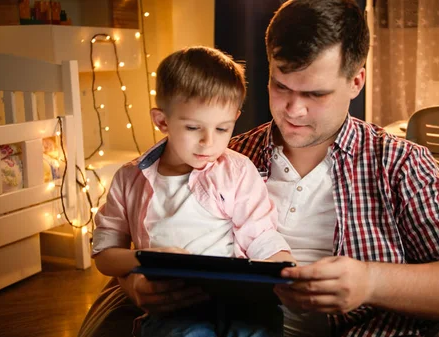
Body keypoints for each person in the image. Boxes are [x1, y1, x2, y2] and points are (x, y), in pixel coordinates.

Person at [79, 1, 439, 336]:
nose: (294, 110)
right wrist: (135, 287)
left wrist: (371, 283)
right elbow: (136, 238)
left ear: (356, 82)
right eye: (281, 86)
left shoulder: (399, 163)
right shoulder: (226, 157)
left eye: (315, 93)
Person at [91, 46, 296, 337]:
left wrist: (283, 268)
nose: (208, 143)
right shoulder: (130, 178)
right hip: (175, 311)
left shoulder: (237, 171)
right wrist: (149, 259)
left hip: (241, 307)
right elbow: (105, 253)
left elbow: (261, 235)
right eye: (193, 128)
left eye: (223, 129)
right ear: (162, 121)